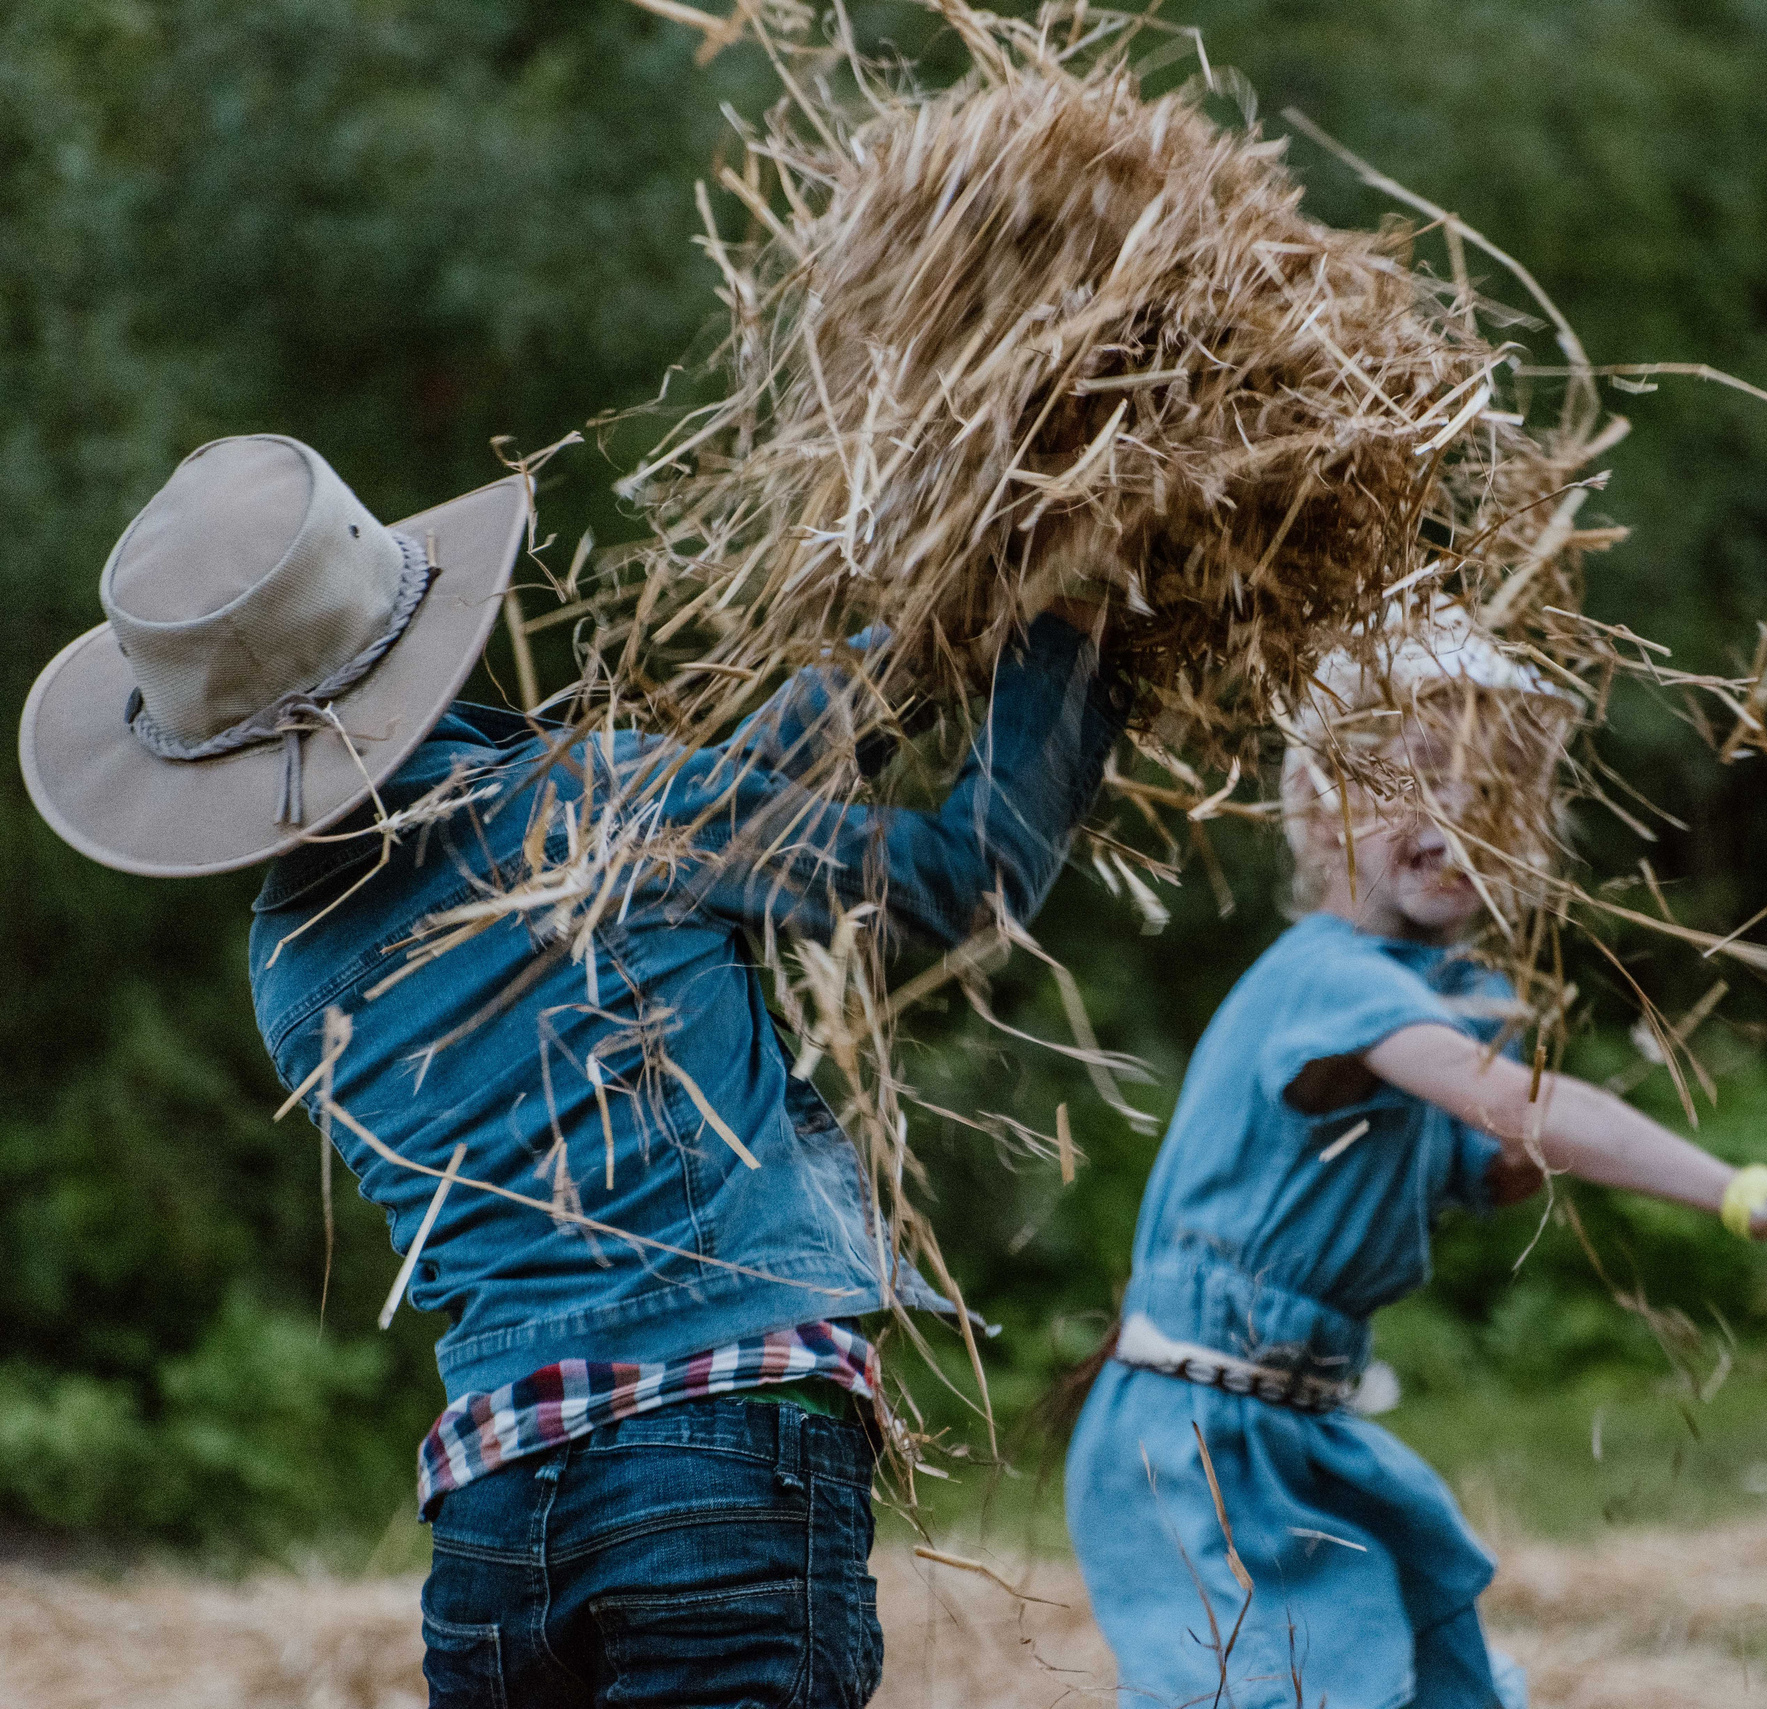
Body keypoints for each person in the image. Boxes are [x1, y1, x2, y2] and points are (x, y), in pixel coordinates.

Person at [17, 434, 1128, 1707]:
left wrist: (922, 644)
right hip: (722, 1470)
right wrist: (1070, 629)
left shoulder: (291, 964)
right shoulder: (603, 807)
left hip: (497, 1518)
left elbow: (699, 827)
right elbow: (954, 881)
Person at [1063, 619, 1767, 1709]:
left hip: (1307, 1420)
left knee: (1440, 1681)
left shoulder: (1445, 992)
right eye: (1416, 778)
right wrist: (1746, 1195)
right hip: (1197, 1437)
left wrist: (1529, 1144)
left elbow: (1496, 1153)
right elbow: (1524, 1105)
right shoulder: (1327, 979)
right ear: (1324, 814)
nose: (1458, 817)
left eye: (1497, 792)